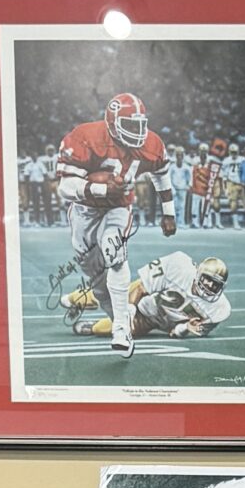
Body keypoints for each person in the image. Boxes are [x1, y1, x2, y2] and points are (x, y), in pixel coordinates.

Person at [54, 90, 167, 354]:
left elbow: (162, 172)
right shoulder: (85, 137)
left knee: (114, 252)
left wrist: (169, 212)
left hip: (118, 207)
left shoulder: (150, 143)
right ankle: (120, 316)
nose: (137, 131)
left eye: (140, 124)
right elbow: (65, 186)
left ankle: (121, 329)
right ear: (113, 123)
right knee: (96, 279)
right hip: (85, 210)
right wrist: (102, 189)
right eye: (130, 125)